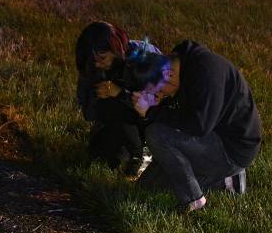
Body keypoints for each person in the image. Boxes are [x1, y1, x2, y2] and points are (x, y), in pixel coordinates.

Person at [123, 42, 261, 212]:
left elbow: (198, 126)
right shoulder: (183, 65)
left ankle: (193, 198)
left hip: (232, 149)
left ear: (168, 75)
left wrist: (152, 111)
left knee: (156, 134)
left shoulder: (206, 74)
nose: (162, 95)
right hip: (212, 136)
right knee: (148, 186)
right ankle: (223, 180)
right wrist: (155, 107)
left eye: (160, 91)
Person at [75, 22, 159, 175]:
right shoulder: (93, 68)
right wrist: (97, 96)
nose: (98, 64)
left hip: (150, 121)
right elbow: (88, 113)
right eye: (93, 60)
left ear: (116, 50)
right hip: (119, 122)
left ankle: (142, 152)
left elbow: (158, 103)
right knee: (97, 157)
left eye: (103, 57)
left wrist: (120, 93)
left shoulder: (143, 57)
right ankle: (126, 150)